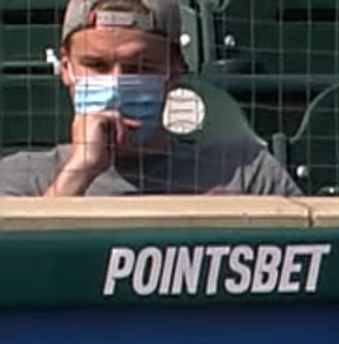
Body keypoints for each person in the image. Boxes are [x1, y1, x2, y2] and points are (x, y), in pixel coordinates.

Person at [0, 0, 298, 198]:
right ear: (66, 69)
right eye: (97, 65)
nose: (115, 83)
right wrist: (80, 171)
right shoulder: (22, 178)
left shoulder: (246, 173)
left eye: (139, 68)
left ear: (175, 70)